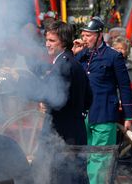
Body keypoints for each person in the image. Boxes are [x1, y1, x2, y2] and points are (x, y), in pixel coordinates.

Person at [73, 16, 132, 184]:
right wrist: (73, 53)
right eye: (83, 35)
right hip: (85, 115)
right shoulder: (80, 56)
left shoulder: (113, 56)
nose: (84, 39)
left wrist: (128, 116)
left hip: (105, 114)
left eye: (89, 35)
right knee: (85, 156)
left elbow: (124, 86)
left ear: (99, 36)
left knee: (100, 158)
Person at [32, 20, 92, 184]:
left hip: (61, 135)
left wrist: (20, 81)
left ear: (63, 42)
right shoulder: (74, 63)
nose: (47, 44)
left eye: (52, 41)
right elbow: (88, 99)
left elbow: (54, 98)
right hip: (76, 131)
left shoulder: (62, 65)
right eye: (47, 40)